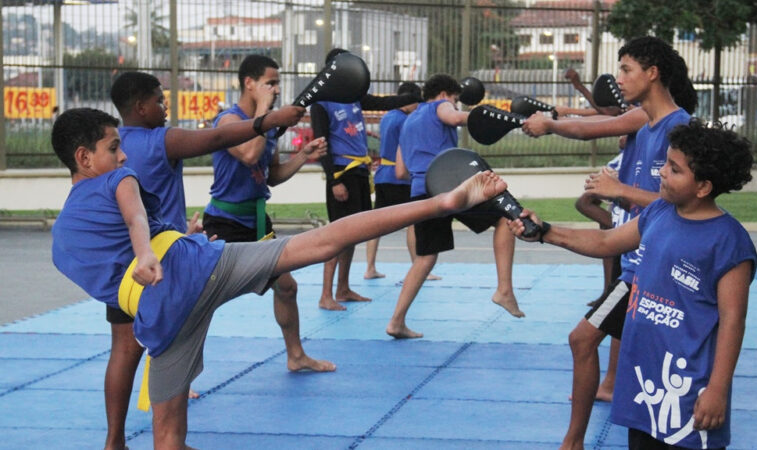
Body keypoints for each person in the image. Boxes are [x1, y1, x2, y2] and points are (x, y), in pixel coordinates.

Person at [50, 107, 510, 449]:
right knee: (324, 242)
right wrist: (154, 250)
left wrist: (161, 243)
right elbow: (133, 216)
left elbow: (114, 277)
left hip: (160, 318)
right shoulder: (118, 179)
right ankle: (442, 204)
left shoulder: (62, 242)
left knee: (168, 438)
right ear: (84, 157)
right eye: (114, 147)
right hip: (192, 272)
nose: (124, 154)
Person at [510, 119, 756, 450]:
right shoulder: (659, 213)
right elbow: (605, 242)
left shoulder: (729, 242)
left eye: (674, 169)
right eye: (666, 163)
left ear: (703, 187)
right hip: (643, 379)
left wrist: (717, 389)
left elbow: (732, 321)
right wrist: (546, 232)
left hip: (687, 389)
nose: (662, 173)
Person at [105, 70, 304, 450]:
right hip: (165, 257)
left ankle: (115, 441)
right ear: (141, 106)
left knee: (124, 349)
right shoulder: (161, 139)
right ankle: (169, 442)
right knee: (178, 337)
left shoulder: (109, 148)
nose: (165, 108)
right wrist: (266, 119)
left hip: (121, 263)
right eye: (160, 102)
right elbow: (217, 138)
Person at [524, 36, 695, 449]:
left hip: (656, 265)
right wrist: (549, 124)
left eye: (626, 70)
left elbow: (685, 203)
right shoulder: (643, 120)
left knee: (585, 339)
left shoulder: (680, 127)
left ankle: (574, 441)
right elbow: (588, 127)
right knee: (606, 343)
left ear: (652, 74)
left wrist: (620, 190)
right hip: (633, 253)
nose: (618, 80)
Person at [200, 55, 334, 372]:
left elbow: (269, 174)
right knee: (201, 299)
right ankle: (181, 374)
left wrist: (303, 155)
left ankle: (296, 356)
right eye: (269, 83)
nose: (275, 90)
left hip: (258, 222)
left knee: (286, 287)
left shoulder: (269, 125)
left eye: (277, 83)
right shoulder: (227, 122)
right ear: (249, 83)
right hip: (224, 222)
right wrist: (264, 113)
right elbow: (248, 154)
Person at [386, 73, 524, 339]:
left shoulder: (408, 122)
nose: (456, 105)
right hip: (450, 186)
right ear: (443, 95)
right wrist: (490, 118)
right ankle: (504, 290)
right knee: (505, 219)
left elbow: (401, 171)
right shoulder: (440, 106)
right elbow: (455, 118)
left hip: (421, 191)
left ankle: (396, 322)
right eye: (455, 99)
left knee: (425, 258)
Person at [311, 48, 422, 311]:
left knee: (352, 235)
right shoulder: (321, 102)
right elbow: (320, 143)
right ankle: (326, 294)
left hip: (361, 171)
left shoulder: (354, 96)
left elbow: (383, 103)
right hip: (341, 172)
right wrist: (333, 179)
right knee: (336, 236)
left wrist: (414, 97)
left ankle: (343, 288)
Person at [363, 81, 441, 282]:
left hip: (382, 174)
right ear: (407, 101)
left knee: (375, 224)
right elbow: (405, 149)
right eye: (415, 103)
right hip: (400, 176)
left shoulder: (387, 117)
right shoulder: (406, 121)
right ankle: (419, 268)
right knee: (414, 223)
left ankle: (370, 267)